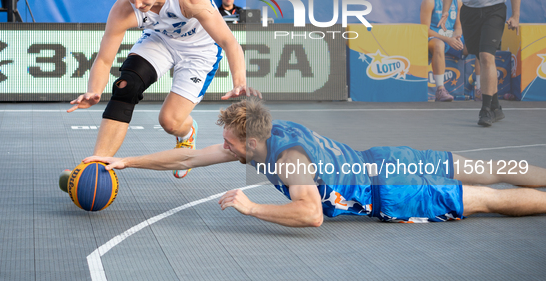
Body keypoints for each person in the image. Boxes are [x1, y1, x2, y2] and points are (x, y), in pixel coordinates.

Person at [84, 98, 546, 227]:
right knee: (493, 169)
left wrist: (252, 208)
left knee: (487, 198)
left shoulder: (289, 160)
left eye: (229, 140)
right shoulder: (267, 131)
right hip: (390, 159)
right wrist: (127, 161)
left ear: (250, 141)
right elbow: (187, 156)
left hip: (393, 190)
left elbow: (309, 214)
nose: (222, 145)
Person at [62, 0, 257, 191]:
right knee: (126, 86)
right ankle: (95, 167)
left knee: (169, 122)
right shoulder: (124, 9)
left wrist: (239, 82)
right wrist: (93, 90)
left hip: (200, 51)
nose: (138, 4)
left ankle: (187, 134)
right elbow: (104, 59)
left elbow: (229, 41)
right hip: (161, 39)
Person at [421, 0, 466, 102]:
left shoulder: (458, 1)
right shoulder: (429, 0)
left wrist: (456, 37)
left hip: (451, 38)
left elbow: (458, 26)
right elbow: (425, 30)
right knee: (439, 45)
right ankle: (440, 89)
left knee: (478, 46)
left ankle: (481, 89)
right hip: (434, 39)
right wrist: (448, 39)